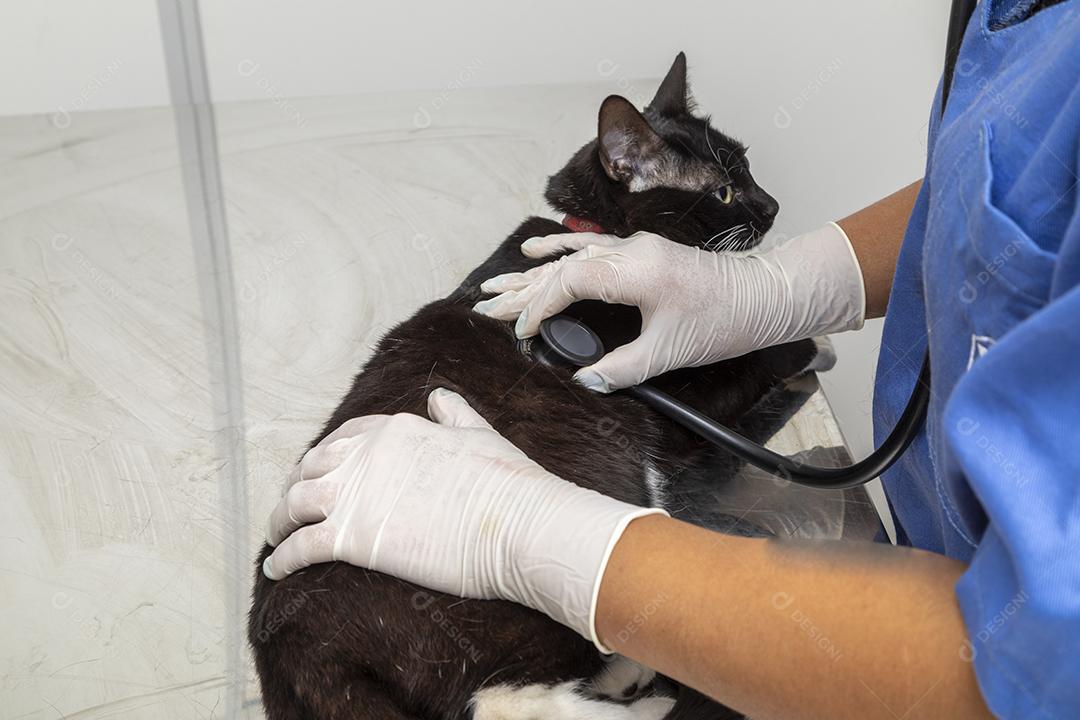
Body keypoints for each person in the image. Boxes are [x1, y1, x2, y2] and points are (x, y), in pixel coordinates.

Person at [261, 3, 1080, 717]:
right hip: (918, 575)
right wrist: (788, 285)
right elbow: (994, 182)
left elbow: (1025, 681)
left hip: (952, 632)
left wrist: (545, 540)